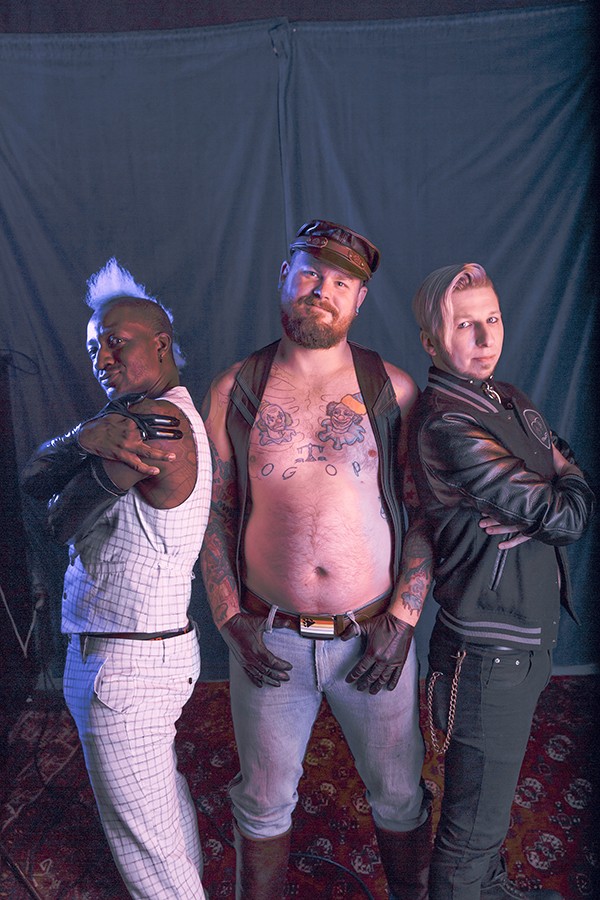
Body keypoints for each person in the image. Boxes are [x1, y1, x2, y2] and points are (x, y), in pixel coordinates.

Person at [200, 219, 433, 899]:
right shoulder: (234, 389)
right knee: (262, 800)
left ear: (359, 300)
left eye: (340, 283)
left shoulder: (394, 391)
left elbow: (422, 512)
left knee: (399, 794)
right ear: (284, 276)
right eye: (309, 272)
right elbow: (213, 513)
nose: (320, 290)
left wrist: (404, 620)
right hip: (268, 636)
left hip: (373, 636)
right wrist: (228, 618)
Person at [21, 259, 213, 900]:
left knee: (148, 856)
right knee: (160, 823)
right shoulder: (134, 416)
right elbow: (37, 480)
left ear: (160, 344)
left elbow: (53, 515)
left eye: (115, 341)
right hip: (134, 653)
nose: (101, 358)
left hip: (128, 668)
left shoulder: (155, 425)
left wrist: (80, 443)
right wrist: (84, 437)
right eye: (92, 348)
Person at [408, 262, 594, 900]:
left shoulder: (505, 396)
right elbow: (567, 516)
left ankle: (491, 890)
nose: (486, 338)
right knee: (469, 831)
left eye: (492, 319)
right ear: (432, 342)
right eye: (466, 325)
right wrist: (554, 491)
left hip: (522, 634)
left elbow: (566, 471)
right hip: (488, 650)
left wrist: (554, 487)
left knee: (490, 806)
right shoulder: (447, 422)